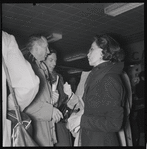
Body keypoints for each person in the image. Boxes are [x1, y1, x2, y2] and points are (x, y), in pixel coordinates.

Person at [64, 34, 127, 146]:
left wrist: (81, 120)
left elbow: (114, 123)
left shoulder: (109, 79)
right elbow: (95, 110)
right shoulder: (98, 76)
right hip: (92, 139)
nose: (88, 54)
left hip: (102, 141)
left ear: (103, 52)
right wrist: (77, 117)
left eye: (92, 49)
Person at [23, 35, 63, 146]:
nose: (48, 51)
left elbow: (39, 99)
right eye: (46, 48)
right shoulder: (27, 68)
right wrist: (50, 111)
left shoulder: (39, 68)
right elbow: (24, 104)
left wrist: (51, 100)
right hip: (36, 131)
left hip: (44, 129)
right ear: (36, 48)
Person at [2, 31, 40, 146]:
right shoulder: (5, 39)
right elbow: (29, 85)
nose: (48, 51)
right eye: (46, 47)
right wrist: (6, 108)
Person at [44, 48, 72, 146]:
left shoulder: (58, 77)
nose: (54, 63)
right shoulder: (37, 77)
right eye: (51, 60)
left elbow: (64, 100)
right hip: (44, 121)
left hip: (59, 120)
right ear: (43, 59)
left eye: (55, 60)